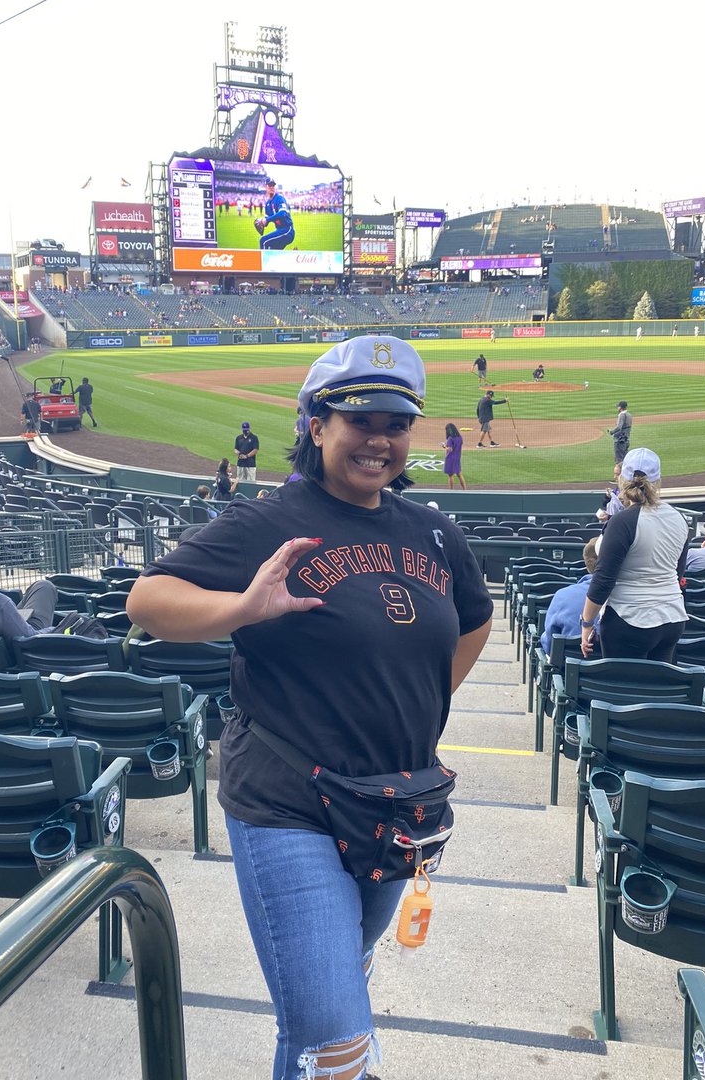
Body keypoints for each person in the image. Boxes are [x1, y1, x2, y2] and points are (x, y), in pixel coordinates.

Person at [126, 334, 493, 1080]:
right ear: (316, 425)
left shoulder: (432, 530)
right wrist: (242, 608)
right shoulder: (270, 520)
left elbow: (476, 618)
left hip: (397, 804)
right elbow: (148, 601)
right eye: (360, 421)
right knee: (334, 1034)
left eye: (396, 423)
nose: (380, 440)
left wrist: (419, 707)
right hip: (289, 801)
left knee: (328, 993)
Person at [580, 448, 689, 662]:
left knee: (622, 692)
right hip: (672, 620)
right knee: (656, 690)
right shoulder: (679, 518)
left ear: (622, 479)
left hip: (628, 620)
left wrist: (586, 623)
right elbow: (678, 574)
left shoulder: (622, 522)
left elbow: (603, 580)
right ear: (658, 481)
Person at [540, 538, 599, 656]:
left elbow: (550, 645)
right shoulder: (638, 601)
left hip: (566, 671)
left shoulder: (563, 596)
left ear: (587, 565)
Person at [256, 179, 295, 251]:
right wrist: (261, 222)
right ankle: (292, 256)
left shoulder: (279, 198)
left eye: (273, 185)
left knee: (263, 241)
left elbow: (282, 213)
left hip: (287, 230)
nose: (272, 187)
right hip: (280, 230)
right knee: (273, 251)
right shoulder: (267, 204)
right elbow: (266, 222)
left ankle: (263, 262)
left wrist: (267, 219)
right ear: (266, 187)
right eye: (269, 185)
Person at [441, 421, 466, 489]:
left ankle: (451, 490)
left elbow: (450, 449)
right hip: (457, 457)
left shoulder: (450, 439)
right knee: (459, 474)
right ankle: (465, 489)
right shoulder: (459, 437)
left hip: (450, 458)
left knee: (450, 476)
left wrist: (444, 446)